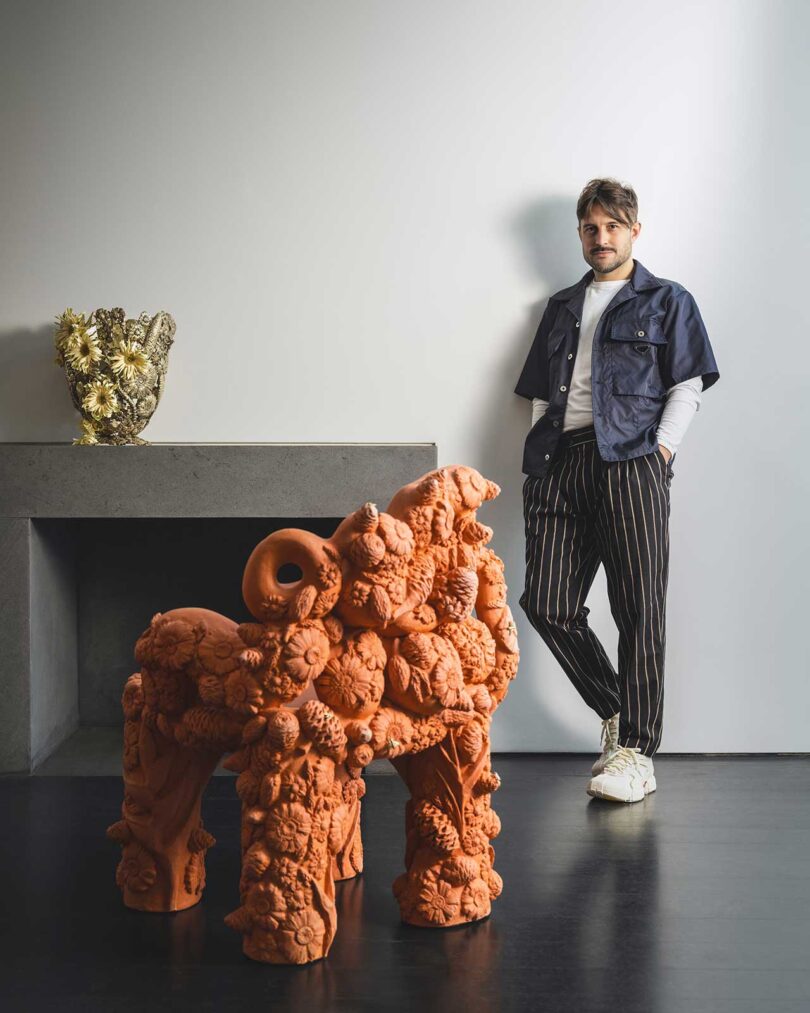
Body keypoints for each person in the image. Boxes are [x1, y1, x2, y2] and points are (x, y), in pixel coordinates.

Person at [514, 178, 720, 803]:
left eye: (612, 226)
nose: (600, 238)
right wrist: (538, 462)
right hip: (560, 464)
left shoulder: (667, 300)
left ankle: (637, 753)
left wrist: (660, 452)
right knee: (546, 603)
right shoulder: (559, 307)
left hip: (631, 462)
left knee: (638, 608)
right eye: (589, 228)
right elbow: (545, 395)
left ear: (634, 229)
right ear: (580, 234)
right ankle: (618, 717)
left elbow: (687, 383)